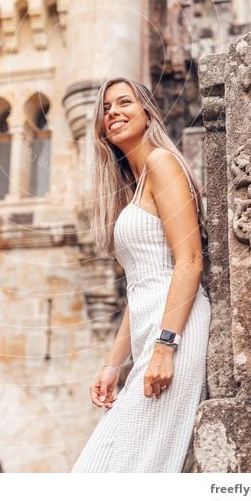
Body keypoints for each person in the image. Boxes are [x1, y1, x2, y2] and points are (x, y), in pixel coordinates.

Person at [71, 77, 211, 473]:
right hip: (151, 333)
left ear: (148, 111)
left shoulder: (161, 163)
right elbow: (141, 287)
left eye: (124, 103)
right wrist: (113, 364)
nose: (113, 112)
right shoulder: (135, 186)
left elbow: (189, 261)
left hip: (174, 334)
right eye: (106, 108)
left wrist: (166, 346)